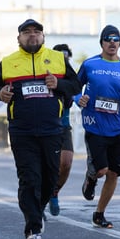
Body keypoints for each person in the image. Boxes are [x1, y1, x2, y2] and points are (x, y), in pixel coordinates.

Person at [0, 19, 82, 239]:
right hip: (22, 130)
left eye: (37, 32)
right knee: (30, 179)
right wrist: (1, 92)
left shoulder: (58, 59)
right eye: (27, 32)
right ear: (19, 38)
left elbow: (76, 85)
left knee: (50, 177)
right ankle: (33, 230)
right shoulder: (9, 62)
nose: (32, 36)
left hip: (52, 129)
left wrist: (57, 84)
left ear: (43, 37)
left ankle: (37, 211)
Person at [75, 25, 120, 228]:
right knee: (102, 170)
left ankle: (99, 214)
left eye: (116, 39)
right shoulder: (90, 64)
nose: (112, 42)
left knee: (114, 174)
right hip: (95, 126)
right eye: (108, 39)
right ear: (102, 42)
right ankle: (91, 176)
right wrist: (79, 99)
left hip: (119, 128)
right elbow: (74, 88)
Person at [48, 44, 75, 216]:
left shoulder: (71, 77)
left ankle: (54, 192)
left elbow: (77, 93)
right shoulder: (46, 75)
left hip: (63, 126)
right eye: (60, 57)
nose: (64, 60)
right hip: (46, 126)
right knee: (46, 167)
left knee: (65, 164)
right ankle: (40, 199)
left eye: (66, 57)